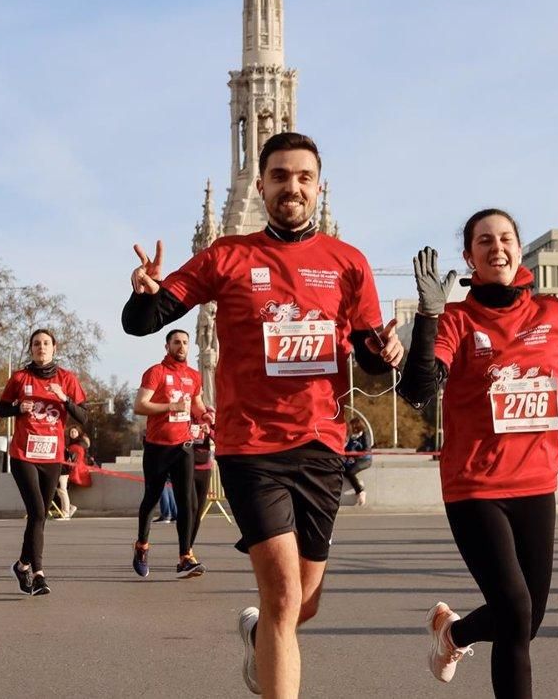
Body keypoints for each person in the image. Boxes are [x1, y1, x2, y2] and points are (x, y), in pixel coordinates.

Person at [121, 131, 402, 698]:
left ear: (318, 186)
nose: (291, 187)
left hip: (323, 444)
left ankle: (261, 644)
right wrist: (145, 293)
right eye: (280, 177)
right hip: (251, 446)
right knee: (280, 598)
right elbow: (144, 321)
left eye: (303, 177)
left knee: (304, 602)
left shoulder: (348, 263)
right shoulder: (228, 255)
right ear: (261, 183)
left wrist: (388, 353)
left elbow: (371, 358)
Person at [398, 211, 558, 697]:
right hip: (475, 487)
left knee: (527, 620)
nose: (497, 247)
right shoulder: (457, 320)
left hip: (536, 486)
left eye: (505, 238)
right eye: (484, 241)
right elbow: (418, 390)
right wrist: (429, 318)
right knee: (515, 611)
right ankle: (455, 636)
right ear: (469, 256)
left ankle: (452, 633)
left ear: (518, 249)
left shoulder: (552, 314)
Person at [0, 328, 88, 596]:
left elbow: (84, 416)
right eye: (36, 343)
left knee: (40, 517)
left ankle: (22, 564)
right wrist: (18, 408)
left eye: (46, 343)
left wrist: (65, 399)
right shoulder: (20, 377)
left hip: (52, 456)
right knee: (37, 512)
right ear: (31, 349)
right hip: (23, 455)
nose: (41, 347)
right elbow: (2, 409)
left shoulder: (67, 379)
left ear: (54, 348)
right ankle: (38, 574)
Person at [132, 328, 211, 580]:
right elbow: (140, 405)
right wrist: (171, 406)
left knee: (187, 502)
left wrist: (205, 414)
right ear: (167, 347)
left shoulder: (193, 376)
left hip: (184, 446)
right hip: (157, 446)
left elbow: (197, 403)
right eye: (176, 342)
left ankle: (185, 557)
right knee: (152, 499)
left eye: (185, 342)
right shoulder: (156, 372)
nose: (181, 346)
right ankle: (142, 546)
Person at [191, 423, 215, 547]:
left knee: (198, 510)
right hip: (186, 467)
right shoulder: (183, 413)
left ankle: (189, 548)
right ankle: (184, 550)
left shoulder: (209, 415)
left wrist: (209, 431)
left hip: (204, 468)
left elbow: (221, 437)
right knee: (190, 509)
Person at [343, 420, 370, 506]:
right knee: (342, 468)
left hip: (364, 459)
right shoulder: (350, 435)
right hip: (351, 458)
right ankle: (358, 483)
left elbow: (366, 451)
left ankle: (360, 491)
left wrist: (354, 457)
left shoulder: (365, 435)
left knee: (350, 472)